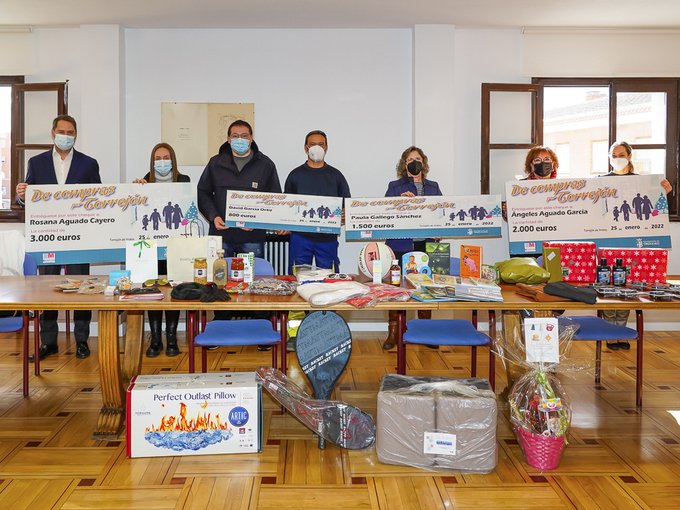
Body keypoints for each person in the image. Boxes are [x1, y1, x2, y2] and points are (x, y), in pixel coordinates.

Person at [15, 114, 101, 360]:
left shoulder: (88, 163)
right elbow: (27, 199)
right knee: (48, 289)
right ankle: (48, 342)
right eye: (62, 131)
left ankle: (82, 341)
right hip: (49, 237)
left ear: (76, 135)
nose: (66, 136)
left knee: (82, 288)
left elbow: (100, 199)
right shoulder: (37, 162)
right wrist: (22, 194)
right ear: (53, 133)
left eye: (71, 132)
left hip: (79, 237)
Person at [601, 141, 673, 350]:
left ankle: (620, 332)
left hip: (633, 242)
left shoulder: (644, 183)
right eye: (613, 155)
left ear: (630, 156)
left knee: (627, 285)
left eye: (621, 154)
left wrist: (663, 194)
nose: (617, 158)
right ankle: (608, 332)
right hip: (609, 241)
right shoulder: (600, 182)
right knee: (607, 285)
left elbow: (654, 213)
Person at [382, 146, 442, 350]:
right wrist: (399, 203)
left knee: (425, 288)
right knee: (396, 288)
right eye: (409, 159)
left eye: (417, 158)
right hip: (400, 244)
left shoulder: (433, 187)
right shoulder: (395, 186)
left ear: (423, 163)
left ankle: (426, 332)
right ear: (404, 164)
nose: (413, 162)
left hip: (425, 245)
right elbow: (384, 212)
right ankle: (394, 332)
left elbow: (443, 212)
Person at [133, 142, 190, 357]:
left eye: (166, 157)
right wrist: (134, 190)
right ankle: (155, 338)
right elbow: (135, 212)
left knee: (172, 289)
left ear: (173, 159)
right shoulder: (143, 181)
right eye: (158, 158)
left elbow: (187, 211)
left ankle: (172, 337)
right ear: (152, 161)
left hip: (174, 246)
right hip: (150, 246)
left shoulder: (184, 181)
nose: (162, 162)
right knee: (153, 290)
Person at [197, 119, 282, 258]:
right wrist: (213, 216)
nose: (240, 139)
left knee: (252, 278)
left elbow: (274, 199)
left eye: (244, 136)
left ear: (251, 138)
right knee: (220, 277)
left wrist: (257, 221)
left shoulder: (265, 165)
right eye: (235, 136)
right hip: (221, 236)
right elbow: (203, 192)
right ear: (229, 139)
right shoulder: (215, 163)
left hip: (252, 237)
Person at [284, 130, 351, 273]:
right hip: (300, 237)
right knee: (298, 278)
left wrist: (345, 216)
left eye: (321, 144)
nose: (317, 147)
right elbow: (286, 206)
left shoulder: (336, 176)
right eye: (313, 144)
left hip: (327, 237)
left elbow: (347, 205)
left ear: (326, 147)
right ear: (305, 148)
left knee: (328, 279)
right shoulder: (295, 175)